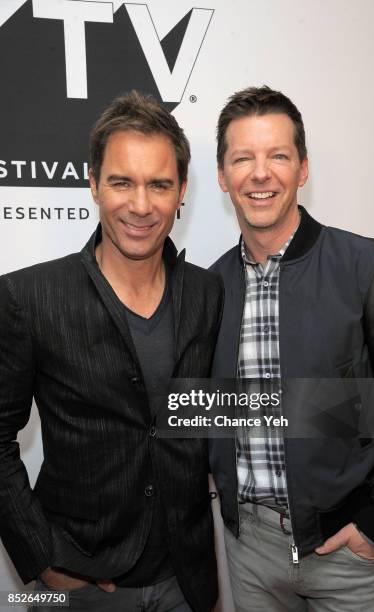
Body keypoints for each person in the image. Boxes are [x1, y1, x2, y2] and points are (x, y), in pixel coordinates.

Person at [0, 89, 222, 612]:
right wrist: (42, 555)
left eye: (159, 185)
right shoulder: (29, 297)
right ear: (94, 183)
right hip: (80, 583)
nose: (141, 205)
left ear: (181, 190)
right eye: (122, 181)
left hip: (186, 580)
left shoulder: (208, 293)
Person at [209, 85, 374, 611]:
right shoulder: (208, 288)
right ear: (222, 175)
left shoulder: (366, 268)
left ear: (303, 169)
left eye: (278, 155)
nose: (260, 173)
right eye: (243, 158)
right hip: (249, 551)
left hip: (348, 550)